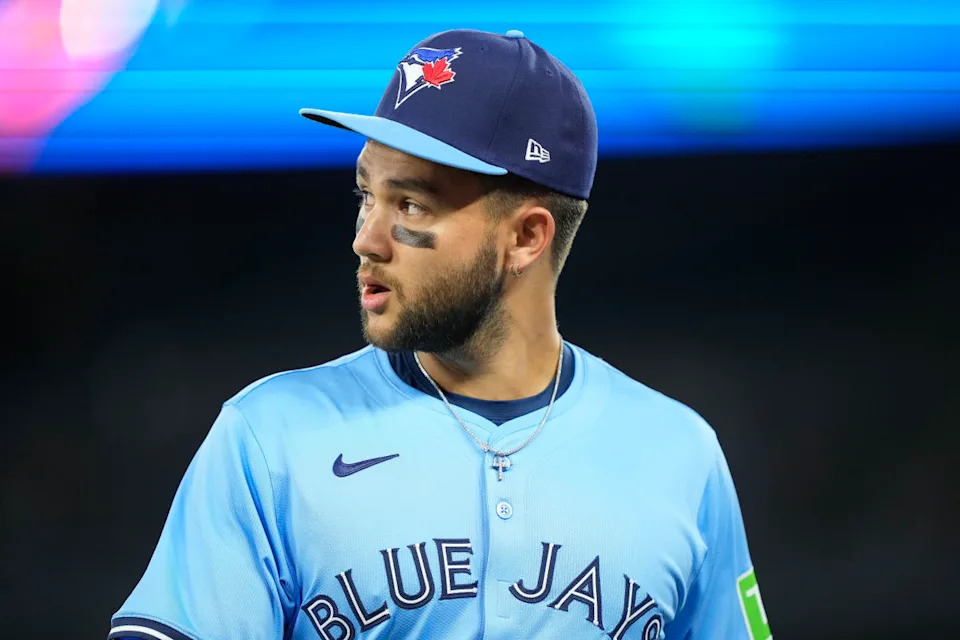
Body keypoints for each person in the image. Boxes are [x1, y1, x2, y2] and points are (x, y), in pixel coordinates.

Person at [108, 29, 772, 640]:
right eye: (366, 193)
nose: (365, 238)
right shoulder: (267, 439)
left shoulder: (679, 456)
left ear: (526, 237)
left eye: (411, 204)